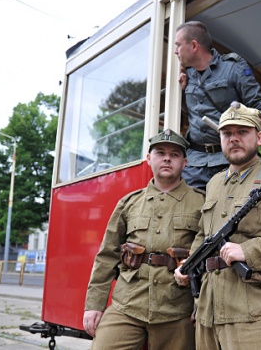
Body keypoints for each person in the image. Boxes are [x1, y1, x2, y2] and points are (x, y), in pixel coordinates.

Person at [174, 102, 261, 349]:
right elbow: (204, 233)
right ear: (220, 139)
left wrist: (249, 252)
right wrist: (188, 264)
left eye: (242, 132)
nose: (234, 139)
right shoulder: (214, 183)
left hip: (255, 316)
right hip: (209, 314)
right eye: (227, 133)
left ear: (259, 137)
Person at [83, 129, 205, 350]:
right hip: (128, 303)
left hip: (177, 309)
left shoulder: (201, 204)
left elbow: (210, 257)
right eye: (160, 152)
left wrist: (201, 305)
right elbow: (107, 256)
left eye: (175, 154)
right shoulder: (128, 203)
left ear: (184, 162)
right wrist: (94, 305)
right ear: (149, 159)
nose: (167, 158)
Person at [174, 21, 261, 190]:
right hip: (195, 164)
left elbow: (257, 103)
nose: (175, 51)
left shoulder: (233, 67)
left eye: (178, 45)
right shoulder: (185, 74)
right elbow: (192, 111)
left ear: (193, 46)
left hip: (229, 159)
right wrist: (182, 93)